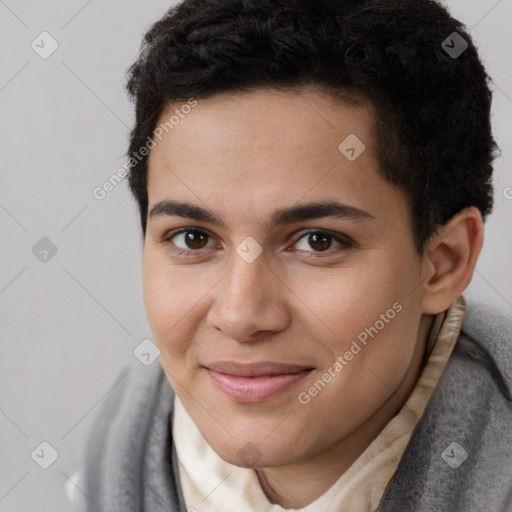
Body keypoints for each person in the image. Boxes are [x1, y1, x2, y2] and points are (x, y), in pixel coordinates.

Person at [70, 0, 512, 510]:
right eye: (193, 238)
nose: (240, 316)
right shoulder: (110, 451)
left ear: (444, 262)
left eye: (318, 241)